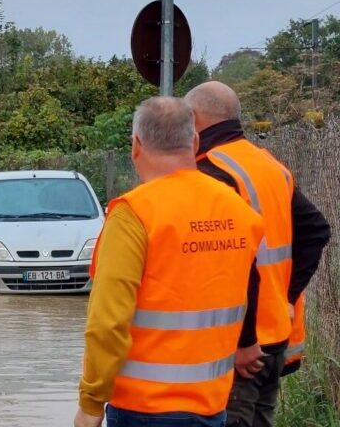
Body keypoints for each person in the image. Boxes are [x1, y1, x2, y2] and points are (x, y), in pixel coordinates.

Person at [75, 97, 265, 427]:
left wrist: (91, 403)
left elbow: (107, 323)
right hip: (213, 405)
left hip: (144, 409)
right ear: (194, 142)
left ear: (136, 146)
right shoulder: (239, 211)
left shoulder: (133, 214)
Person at [185, 81, 330, 427]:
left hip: (239, 347)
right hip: (275, 338)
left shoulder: (212, 172)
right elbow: (317, 230)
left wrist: (244, 338)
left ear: (193, 119)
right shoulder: (268, 165)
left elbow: (239, 264)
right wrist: (288, 296)